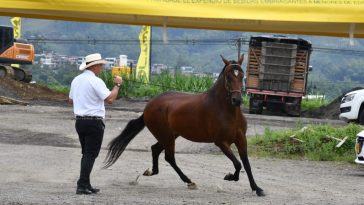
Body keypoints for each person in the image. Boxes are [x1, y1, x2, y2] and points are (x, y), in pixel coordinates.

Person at [69, 53, 123, 195]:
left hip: (80, 121)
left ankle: (85, 183)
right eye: (100, 65)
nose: (102, 68)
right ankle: (81, 184)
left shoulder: (76, 80)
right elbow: (110, 99)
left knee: (86, 153)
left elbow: (71, 100)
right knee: (91, 154)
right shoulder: (96, 81)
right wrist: (117, 85)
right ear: (95, 66)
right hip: (93, 122)